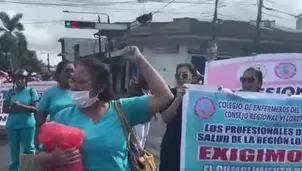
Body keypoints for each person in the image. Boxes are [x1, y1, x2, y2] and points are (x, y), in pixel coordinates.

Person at [34, 46, 174, 171]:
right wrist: (53, 158)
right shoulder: (62, 117)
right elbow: (39, 156)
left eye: (82, 82)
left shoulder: (123, 109)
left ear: (100, 87)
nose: (74, 86)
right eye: (73, 80)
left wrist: (140, 60)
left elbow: (164, 96)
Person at [159, 63, 199, 171]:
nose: (181, 78)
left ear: (194, 77)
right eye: (178, 76)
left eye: (185, 75)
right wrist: (178, 99)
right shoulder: (170, 94)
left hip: (192, 148)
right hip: (172, 146)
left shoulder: (200, 95)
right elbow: (166, 118)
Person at [3, 69, 39, 171]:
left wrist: (21, 106)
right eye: (17, 78)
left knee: (29, 149)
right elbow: (4, 109)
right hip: (12, 126)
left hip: (27, 125)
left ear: (26, 80)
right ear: (14, 79)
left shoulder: (32, 92)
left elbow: (35, 109)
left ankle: (29, 169)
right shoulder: (10, 92)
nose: (20, 81)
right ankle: (14, 169)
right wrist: (13, 109)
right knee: (14, 150)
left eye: (22, 78)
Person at [37, 60, 75, 125]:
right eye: (67, 71)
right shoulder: (50, 93)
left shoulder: (81, 91)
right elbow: (41, 118)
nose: (70, 74)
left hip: (78, 132)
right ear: (58, 74)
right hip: (56, 133)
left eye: (73, 71)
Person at [128, 75, 152, 147]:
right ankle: (137, 154)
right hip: (138, 119)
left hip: (147, 118)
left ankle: (142, 151)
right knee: (139, 136)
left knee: (145, 136)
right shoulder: (136, 93)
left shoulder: (149, 92)